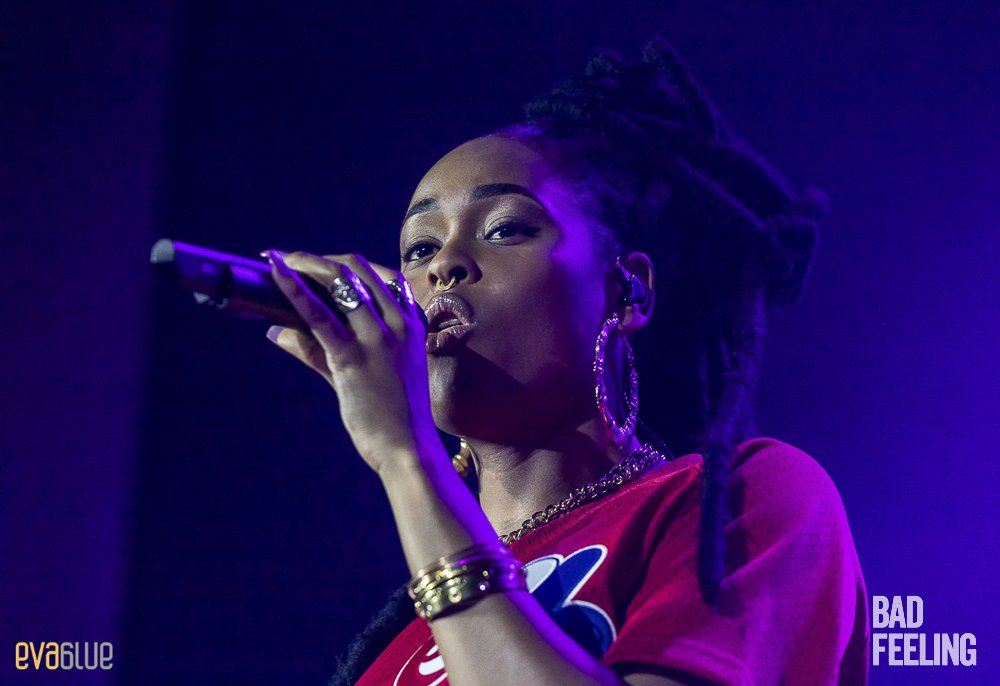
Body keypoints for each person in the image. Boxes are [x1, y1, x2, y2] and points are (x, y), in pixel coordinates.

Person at [262, 37, 870, 685]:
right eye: (419, 249)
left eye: (504, 228)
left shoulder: (741, 501)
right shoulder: (393, 646)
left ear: (627, 291)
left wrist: (408, 459)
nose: (444, 266)